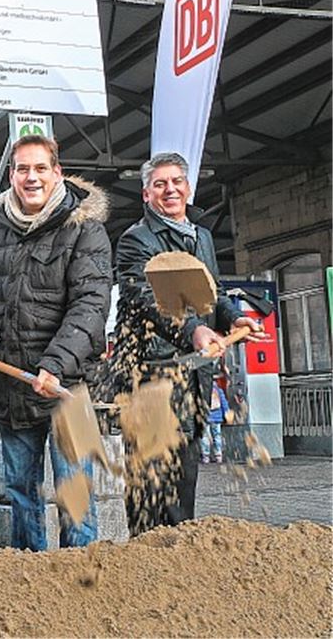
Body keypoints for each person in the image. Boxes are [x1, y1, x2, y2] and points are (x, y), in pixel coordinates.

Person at [111, 152, 265, 534]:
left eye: (176, 181)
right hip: (150, 377)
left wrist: (232, 317)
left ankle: (179, 557)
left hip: (194, 377)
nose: (170, 190)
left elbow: (213, 292)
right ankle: (146, 559)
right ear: (146, 194)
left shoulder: (202, 237)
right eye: (160, 184)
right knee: (150, 488)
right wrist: (194, 329)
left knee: (183, 485)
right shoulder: (136, 240)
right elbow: (146, 298)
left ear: (188, 188)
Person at [0, 134, 112, 552]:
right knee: (20, 490)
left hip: (70, 385)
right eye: (22, 169)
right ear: (11, 176)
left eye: (39, 168)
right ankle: (29, 570)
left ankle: (81, 573)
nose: (31, 177)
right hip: (13, 383)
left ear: (57, 173)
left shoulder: (86, 229)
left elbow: (91, 305)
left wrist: (54, 364)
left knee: (76, 490)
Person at [202, 379, 228, 464]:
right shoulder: (219, 391)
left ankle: (206, 456)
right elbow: (224, 403)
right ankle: (218, 456)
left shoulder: (203, 390)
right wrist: (226, 413)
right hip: (217, 418)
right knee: (217, 436)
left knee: (205, 436)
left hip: (206, 417)